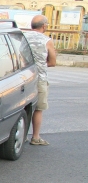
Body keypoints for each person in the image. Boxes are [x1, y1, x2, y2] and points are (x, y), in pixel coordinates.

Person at [24, 14, 57, 146]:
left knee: (23, 107)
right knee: (38, 109)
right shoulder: (46, 40)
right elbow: (53, 62)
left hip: (23, 77)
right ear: (44, 26)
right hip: (39, 78)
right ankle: (36, 137)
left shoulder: (22, 37)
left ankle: (22, 135)